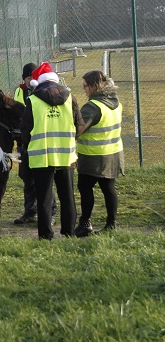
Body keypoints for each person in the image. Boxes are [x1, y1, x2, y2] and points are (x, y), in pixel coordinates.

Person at [20, 62, 84, 240]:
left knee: (44, 198)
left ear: (38, 82)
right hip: (66, 155)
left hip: (41, 156)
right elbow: (80, 126)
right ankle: (69, 231)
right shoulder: (70, 97)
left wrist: (31, 144)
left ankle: (45, 234)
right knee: (67, 196)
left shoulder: (32, 100)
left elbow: (25, 131)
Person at [73, 71, 124, 236]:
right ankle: (111, 224)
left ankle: (85, 224)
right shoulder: (115, 102)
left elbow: (78, 130)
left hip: (93, 156)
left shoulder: (93, 106)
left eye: (85, 86)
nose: (84, 89)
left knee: (85, 188)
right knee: (108, 188)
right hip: (114, 153)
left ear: (95, 86)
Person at [13, 62, 57, 224]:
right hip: (24, 140)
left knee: (44, 180)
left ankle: (50, 212)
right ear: (24, 79)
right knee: (26, 176)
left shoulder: (43, 93)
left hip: (39, 141)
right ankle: (30, 211)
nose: (31, 80)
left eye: (33, 76)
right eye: (28, 77)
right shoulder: (20, 91)